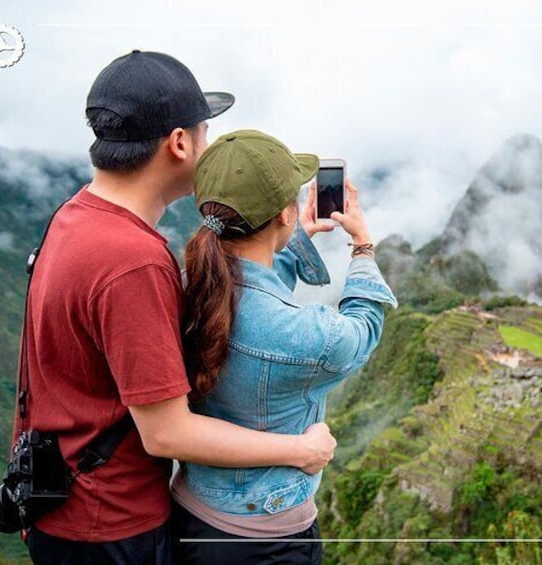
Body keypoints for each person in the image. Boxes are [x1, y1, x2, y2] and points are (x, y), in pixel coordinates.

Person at [17, 51, 336, 564]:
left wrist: (285, 241)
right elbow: (167, 432)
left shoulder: (76, 215)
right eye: (205, 132)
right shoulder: (133, 263)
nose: (209, 146)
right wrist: (302, 450)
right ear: (181, 143)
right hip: (112, 530)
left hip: (66, 511)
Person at [171, 129, 397, 564]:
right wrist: (363, 244)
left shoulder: (185, 285)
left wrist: (297, 236)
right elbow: (361, 332)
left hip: (190, 516)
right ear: (283, 214)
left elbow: (248, 285)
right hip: (266, 541)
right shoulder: (301, 333)